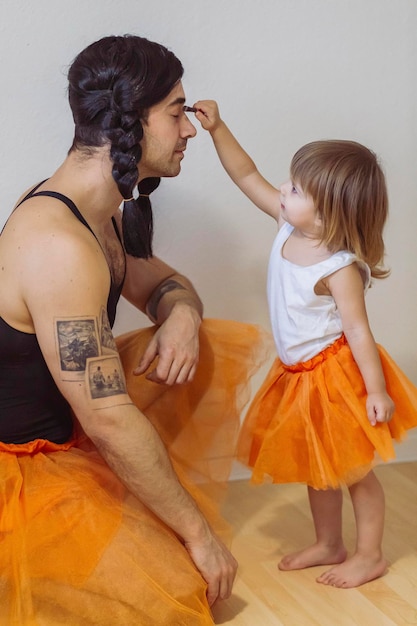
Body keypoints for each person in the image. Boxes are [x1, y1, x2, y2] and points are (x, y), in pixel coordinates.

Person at [0, 39, 267, 625]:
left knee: (205, 344)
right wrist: (198, 535)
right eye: (176, 111)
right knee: (173, 601)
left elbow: (167, 285)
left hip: (78, 422)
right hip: (25, 463)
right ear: (131, 119)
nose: (189, 129)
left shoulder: (98, 213)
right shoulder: (57, 242)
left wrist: (184, 317)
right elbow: (108, 416)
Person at [193, 100, 417, 588]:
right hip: (298, 373)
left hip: (334, 375)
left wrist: (375, 391)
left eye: (294, 189)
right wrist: (218, 130)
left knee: (354, 472)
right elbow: (247, 173)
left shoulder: (337, 268)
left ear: (330, 212)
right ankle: (329, 542)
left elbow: (359, 331)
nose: (282, 190)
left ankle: (370, 554)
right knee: (318, 466)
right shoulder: (288, 224)